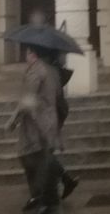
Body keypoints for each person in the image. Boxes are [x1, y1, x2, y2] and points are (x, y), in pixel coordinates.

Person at [4, 46, 62, 213]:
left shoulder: (36, 71)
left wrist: (12, 121)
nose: (26, 56)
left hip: (36, 123)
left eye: (28, 53)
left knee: (30, 160)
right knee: (43, 159)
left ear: (33, 54)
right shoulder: (52, 70)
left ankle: (41, 198)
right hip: (49, 120)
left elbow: (27, 100)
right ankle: (49, 197)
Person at [35, 47, 81, 202]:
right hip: (55, 110)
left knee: (43, 151)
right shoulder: (49, 69)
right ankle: (62, 181)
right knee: (44, 151)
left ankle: (55, 187)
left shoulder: (47, 71)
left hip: (53, 112)